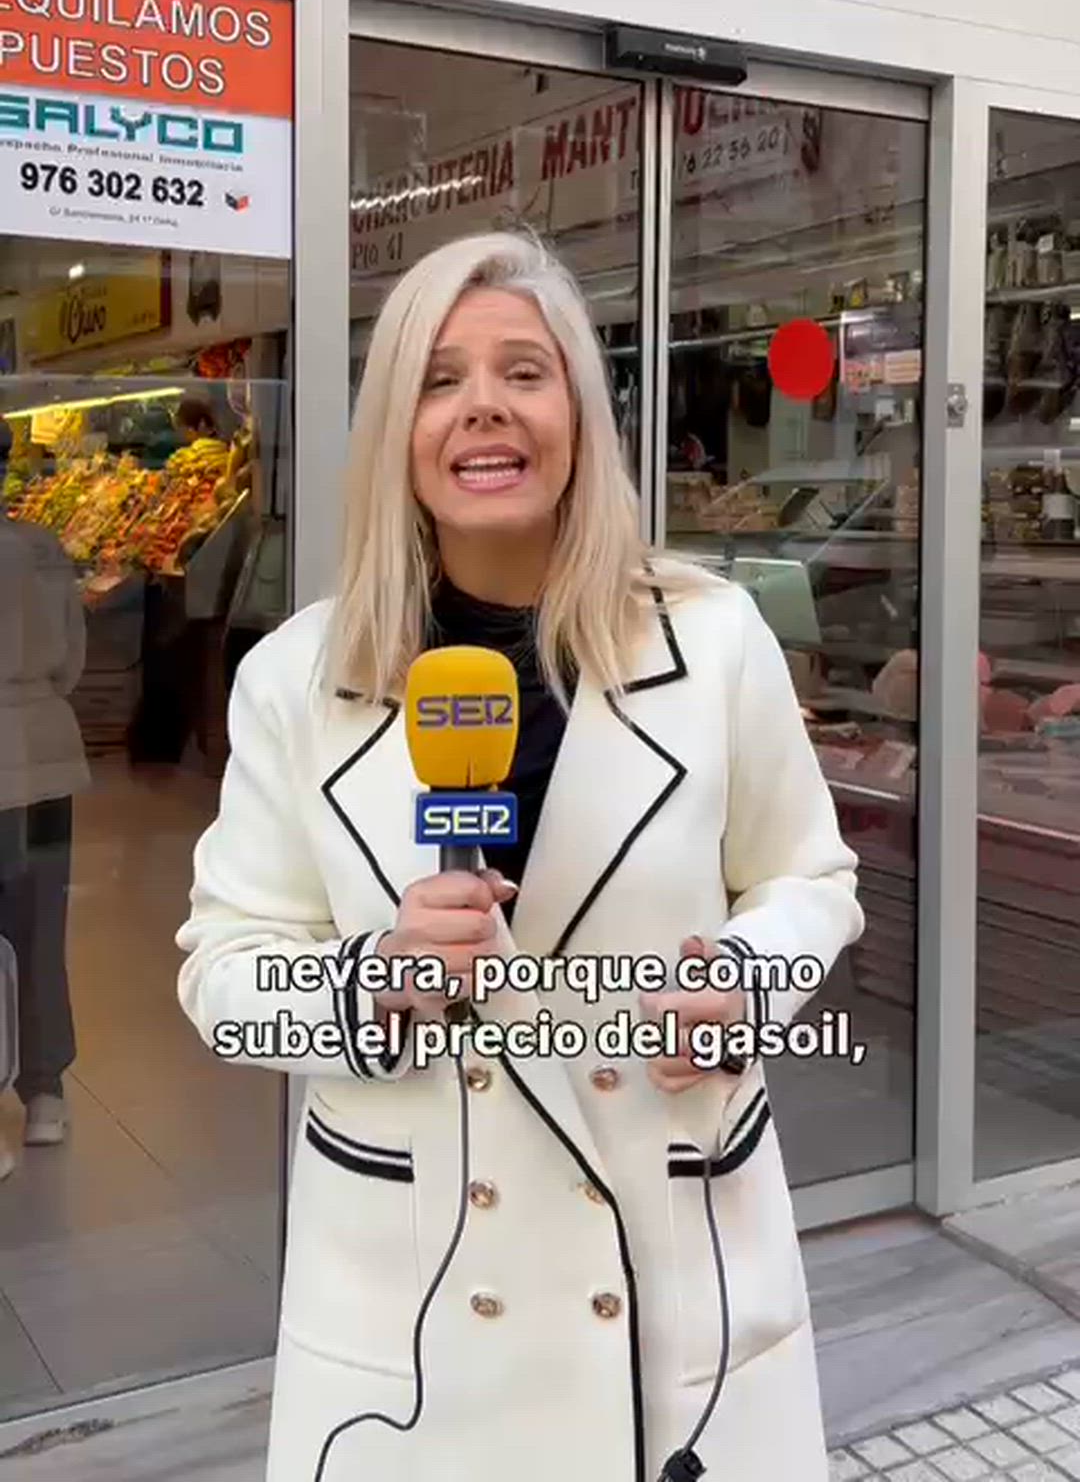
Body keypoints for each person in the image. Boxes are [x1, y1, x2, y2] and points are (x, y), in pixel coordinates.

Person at [175, 232, 863, 1482]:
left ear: (580, 418)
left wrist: (745, 979)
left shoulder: (715, 641)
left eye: (524, 372)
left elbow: (808, 881)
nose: (483, 405)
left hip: (675, 1272)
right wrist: (371, 980)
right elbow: (225, 972)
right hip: (417, 1309)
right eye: (439, 379)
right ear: (396, 431)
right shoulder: (294, 679)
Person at [0, 418, 89, 1180]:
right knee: (38, 925)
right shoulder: (42, 549)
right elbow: (72, 660)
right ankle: (45, 1093)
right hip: (46, 749)